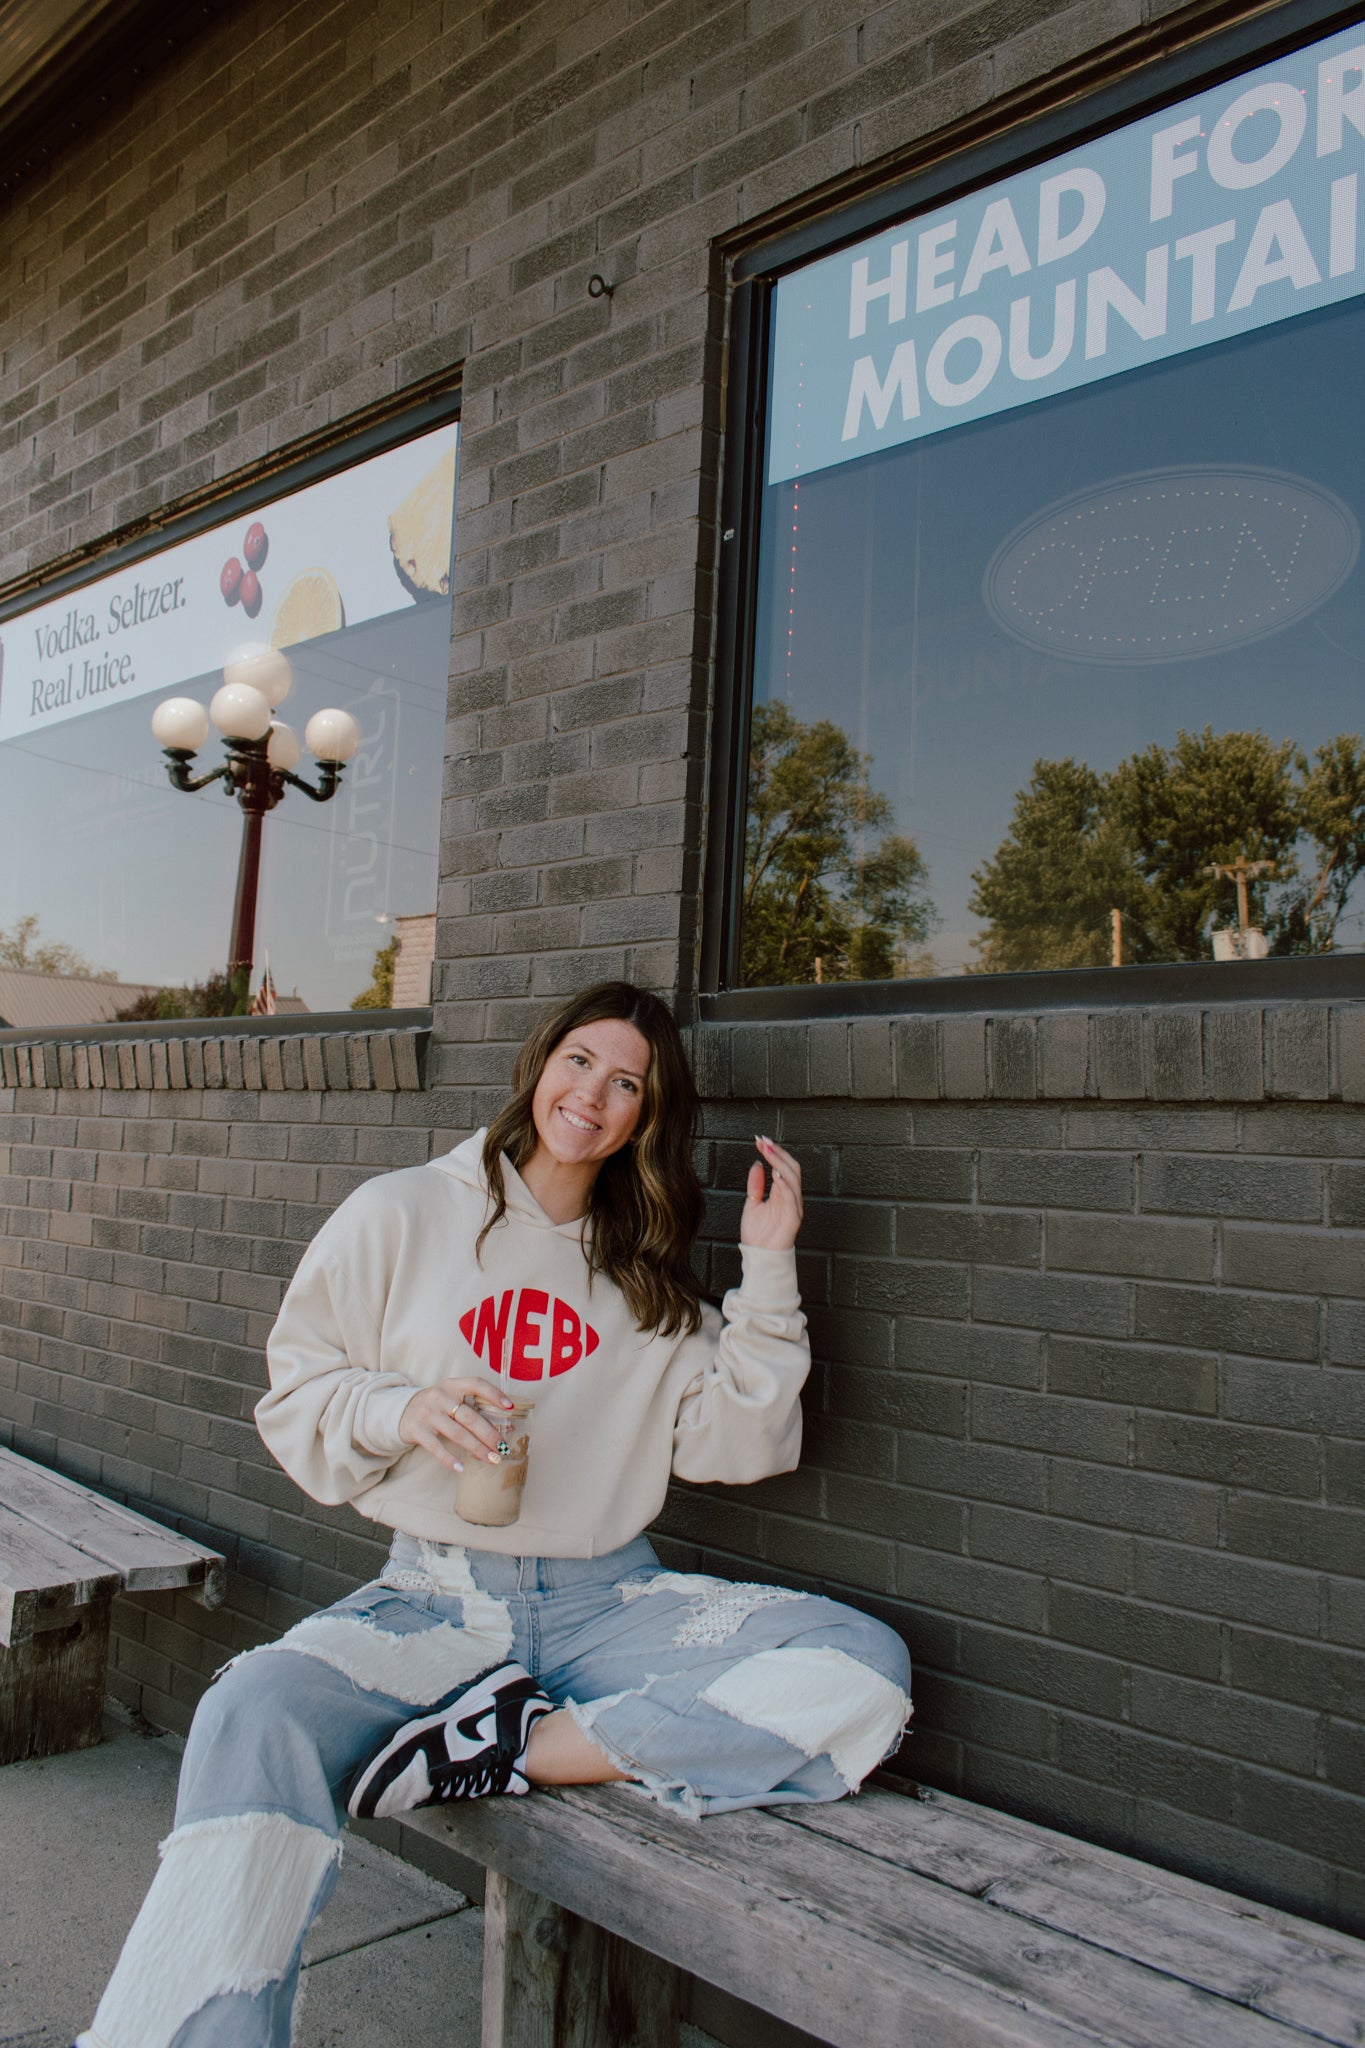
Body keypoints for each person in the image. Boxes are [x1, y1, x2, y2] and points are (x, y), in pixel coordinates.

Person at [78, 982, 911, 2048]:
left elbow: (736, 1442)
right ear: (538, 1064)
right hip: (434, 1598)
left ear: (646, 1120)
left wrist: (771, 1259)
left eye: (629, 1084)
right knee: (252, 1708)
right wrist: (402, 1406)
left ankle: (508, 1744)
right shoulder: (401, 1211)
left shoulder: (644, 1279)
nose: (594, 1094)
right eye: (580, 1060)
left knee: (862, 1664)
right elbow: (294, 1392)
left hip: (610, 1600)